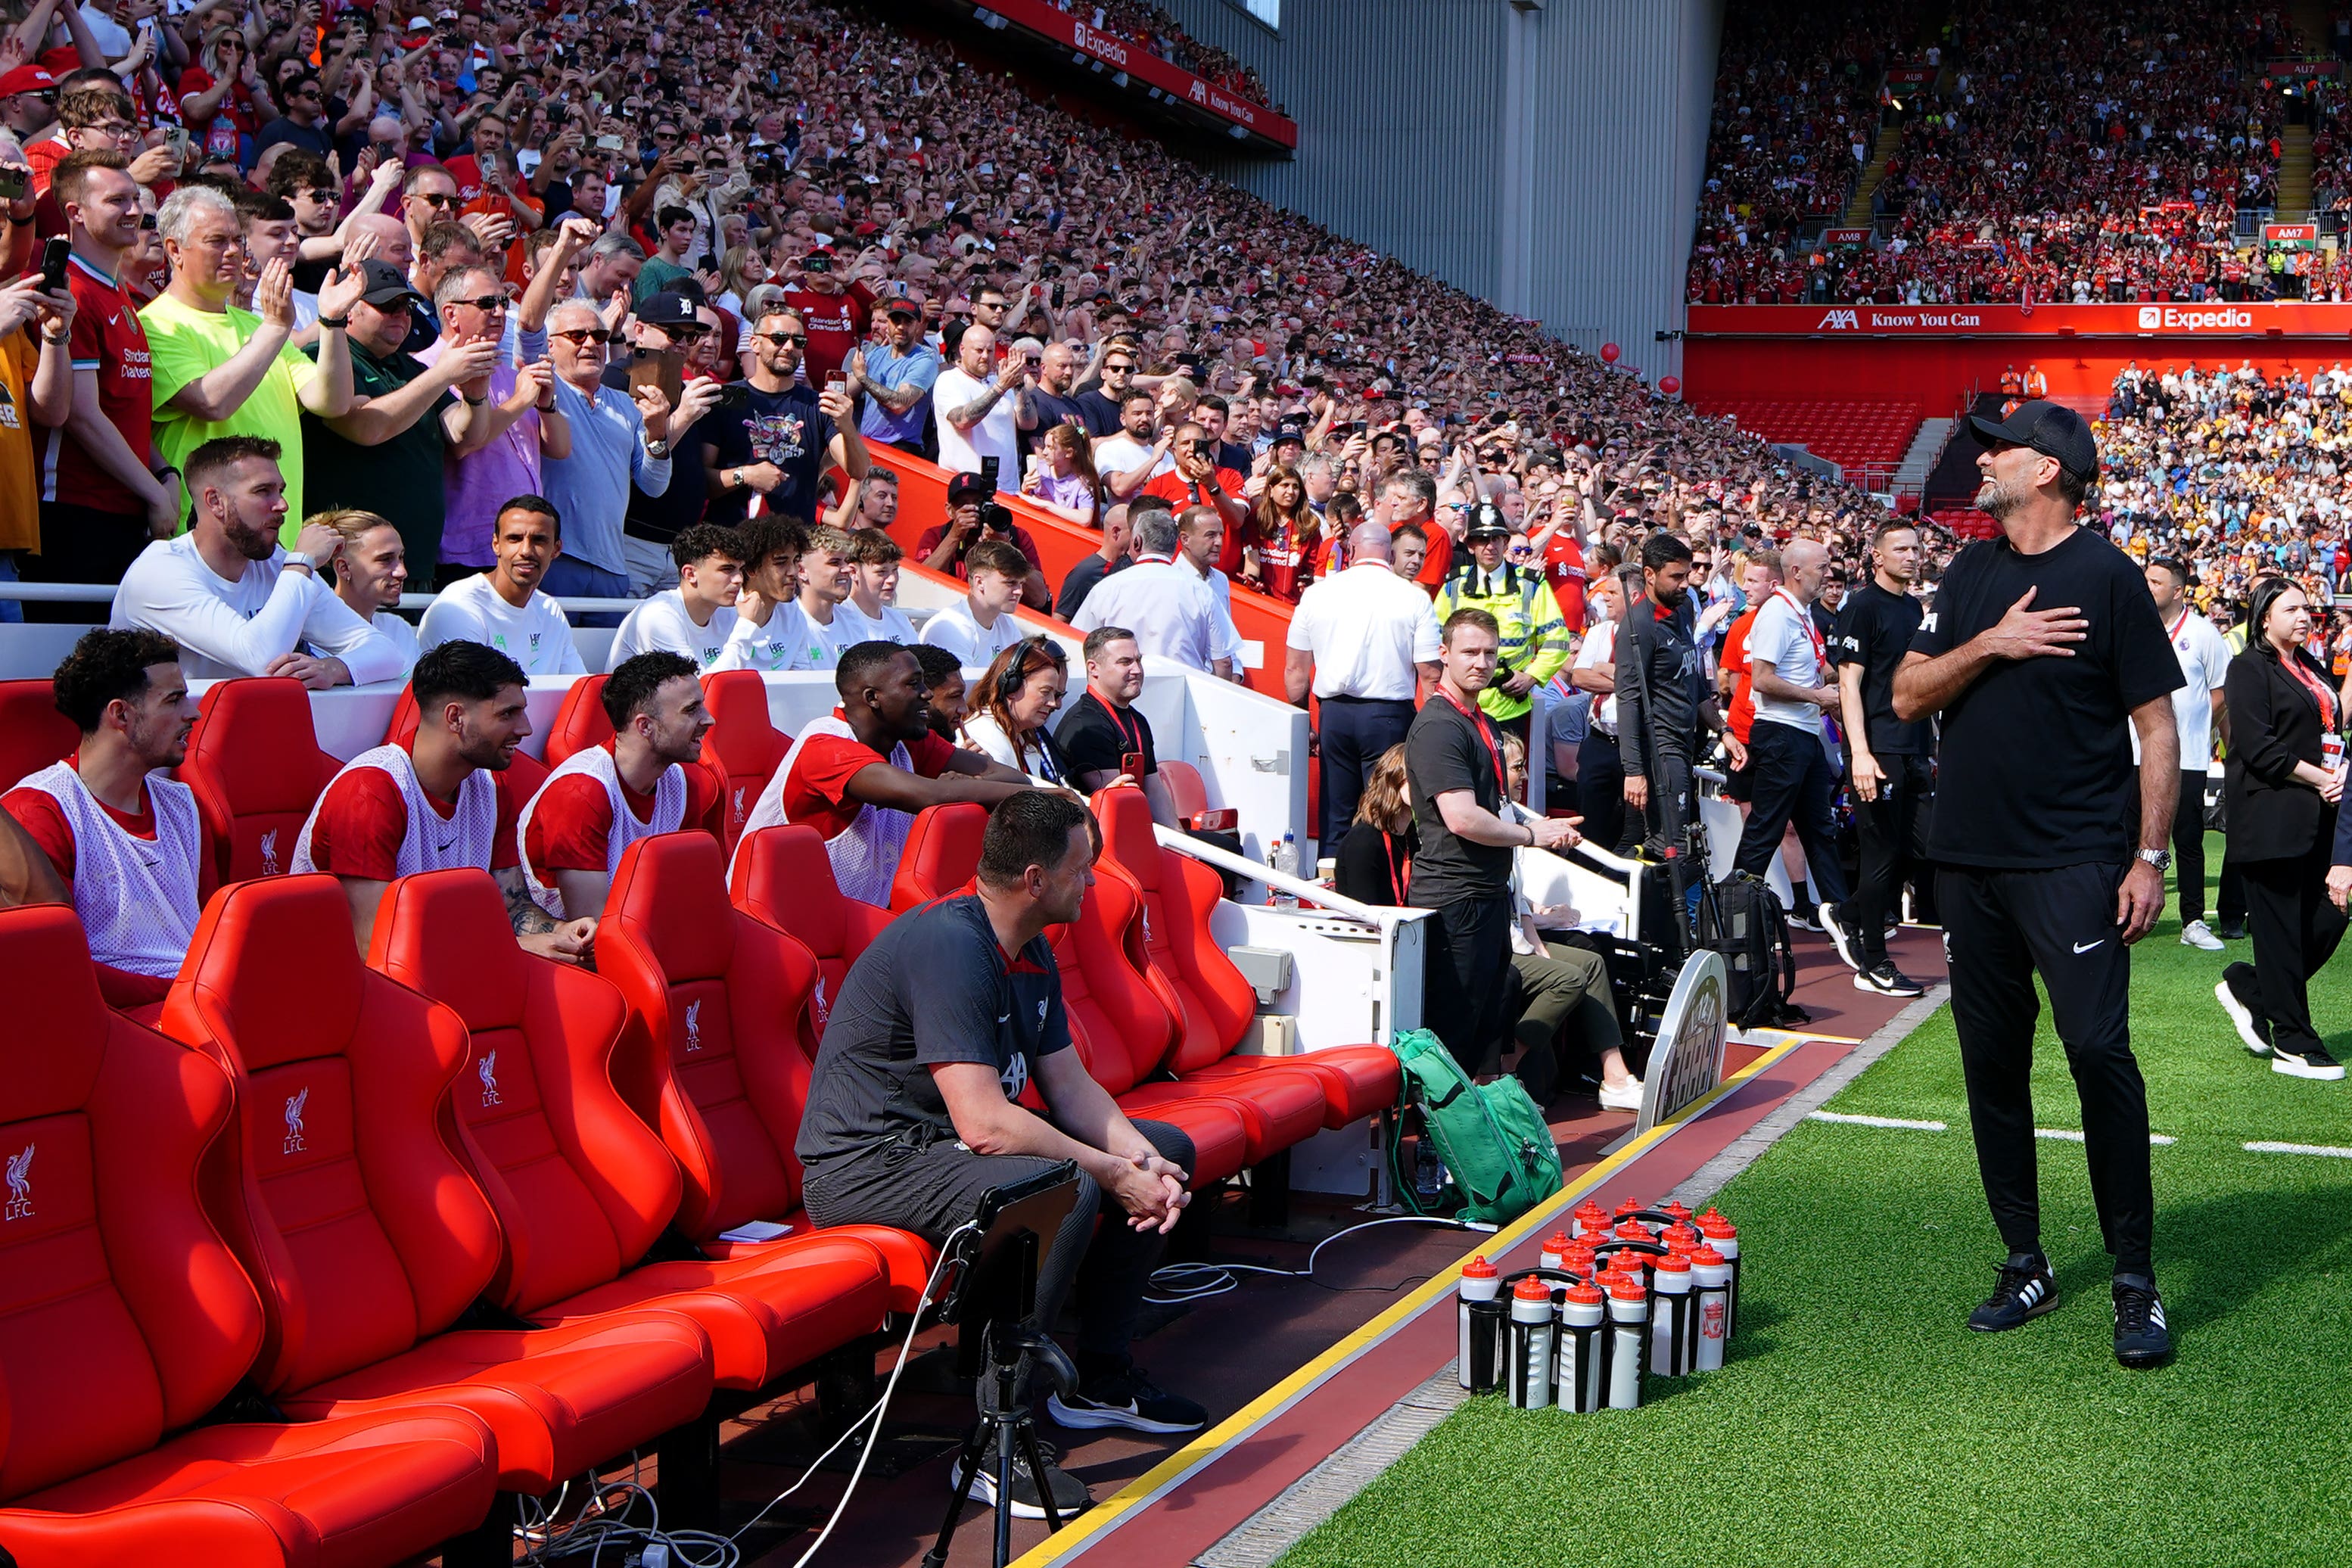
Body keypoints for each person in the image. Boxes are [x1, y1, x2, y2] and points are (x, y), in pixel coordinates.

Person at [795, 790, 1206, 1520]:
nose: (1096, 883)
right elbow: (986, 1124)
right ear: (1036, 880)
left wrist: (1144, 1164)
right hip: (871, 1163)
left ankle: (1101, 1379)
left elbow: (1071, 1086)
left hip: (942, 1149)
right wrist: (1108, 1173)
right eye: (1084, 869)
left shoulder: (1030, 942)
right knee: (1066, 1183)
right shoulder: (952, 945)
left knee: (1167, 1145)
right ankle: (992, 1444)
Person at [1892, 400, 2182, 1368]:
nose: (1983, 459)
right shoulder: (1972, 571)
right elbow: (1904, 692)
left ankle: (2134, 1280)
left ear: (2049, 470)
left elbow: (2157, 729)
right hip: (1968, 862)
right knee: (1992, 1065)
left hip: (2075, 861)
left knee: (2100, 1051)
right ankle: (2027, 1259)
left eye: (1999, 447)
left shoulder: (2108, 575)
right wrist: (1991, 644)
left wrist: (2148, 858)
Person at [293, 639, 592, 964]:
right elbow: (378, 951)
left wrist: (561, 932)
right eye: (508, 714)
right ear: (455, 718)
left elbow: (512, 906)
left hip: (447, 968)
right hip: (346, 988)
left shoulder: (492, 786)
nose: (525, 728)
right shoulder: (370, 793)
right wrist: (513, 947)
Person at [1405, 608, 1580, 1074]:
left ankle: (1469, 1132)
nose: (1480, 662)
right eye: (1469, 652)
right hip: (1455, 896)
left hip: (1485, 894)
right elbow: (1462, 819)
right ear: (1444, 655)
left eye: (1489, 652)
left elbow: (1489, 805)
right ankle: (1434, 1140)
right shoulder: (1441, 725)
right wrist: (1531, 834)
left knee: (1483, 1024)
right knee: (1454, 1029)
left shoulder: (1476, 717)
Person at [2, 629, 213, 1011]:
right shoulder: (39, 812)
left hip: (197, 1006)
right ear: (120, 714)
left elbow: (212, 935)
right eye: (174, 700)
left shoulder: (185, 806)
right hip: (113, 1024)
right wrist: (189, 989)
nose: (193, 712)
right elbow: (52, 966)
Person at [142, 182, 369, 534]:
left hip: (277, 537)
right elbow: (211, 402)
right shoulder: (156, 324)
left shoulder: (255, 324)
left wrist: (333, 321)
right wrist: (277, 328)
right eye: (217, 241)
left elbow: (331, 402)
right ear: (175, 249)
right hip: (208, 540)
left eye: (238, 240)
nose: (234, 252)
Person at [734, 640, 1031, 906]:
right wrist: (1047, 795)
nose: (926, 694)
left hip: (852, 917)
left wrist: (964, 783)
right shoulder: (825, 746)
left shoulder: (906, 739)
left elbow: (1014, 778)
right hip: (776, 919)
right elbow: (926, 795)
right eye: (913, 684)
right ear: (873, 697)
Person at [109, 435, 404, 686]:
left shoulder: (278, 565)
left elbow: (385, 652)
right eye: (263, 491)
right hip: (155, 747)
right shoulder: (162, 570)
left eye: (281, 490)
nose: (282, 505)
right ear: (215, 502)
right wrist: (301, 561)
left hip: (234, 735)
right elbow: (261, 661)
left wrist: (334, 668)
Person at [297, 258, 508, 582]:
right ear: (349, 309)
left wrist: (475, 395)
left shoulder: (411, 368)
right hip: (347, 568)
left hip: (413, 560)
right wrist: (443, 374)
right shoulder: (325, 357)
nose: (400, 314)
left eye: (406, 305)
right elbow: (366, 428)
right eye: (387, 305)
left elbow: (466, 438)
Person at [2214, 577, 2347, 1081]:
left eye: (2307, 609)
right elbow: (2257, 744)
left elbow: (2332, 728)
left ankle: (2250, 988)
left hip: (2318, 818)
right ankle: (2294, 1042)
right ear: (2263, 618)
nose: (2304, 616)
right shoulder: (2248, 668)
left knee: (2330, 918)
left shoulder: (2311, 666)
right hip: (2271, 817)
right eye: (2291, 609)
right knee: (2278, 932)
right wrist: (2321, 778)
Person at [36, 149, 182, 596]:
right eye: (118, 201)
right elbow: (81, 415)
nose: (135, 210)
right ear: (76, 214)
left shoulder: (117, 291)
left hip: (125, 506)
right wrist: (156, 493)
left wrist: (165, 474)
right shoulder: (70, 290)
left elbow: (123, 408)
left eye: (136, 199)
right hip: (78, 513)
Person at [518, 650, 721, 927]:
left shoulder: (682, 784)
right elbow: (591, 928)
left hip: (640, 933)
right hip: (570, 956)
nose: (709, 719)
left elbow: (687, 893)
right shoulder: (581, 792)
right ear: (645, 726)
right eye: (691, 710)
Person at [539, 295, 717, 605]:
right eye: (577, 336)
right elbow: (528, 332)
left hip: (612, 562)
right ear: (550, 345)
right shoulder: (546, 387)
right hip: (561, 555)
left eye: (599, 336)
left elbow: (653, 482)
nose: (590, 344)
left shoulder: (622, 402)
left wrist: (658, 429)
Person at [1732, 537, 1858, 970]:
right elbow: (1761, 681)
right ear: (1798, 571)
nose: (1830, 573)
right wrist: (1818, 696)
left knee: (1819, 830)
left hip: (1801, 736)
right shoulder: (1776, 614)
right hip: (1782, 736)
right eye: (1823, 566)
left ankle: (1842, 918)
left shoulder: (1800, 614)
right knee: (1766, 829)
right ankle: (1736, 923)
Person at [1499, 733, 1641, 1109]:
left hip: (1516, 934)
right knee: (1567, 975)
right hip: (1497, 945)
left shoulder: (1506, 818)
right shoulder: (1492, 827)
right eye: (1516, 767)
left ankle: (1615, 1076)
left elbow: (1513, 895)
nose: (1525, 775)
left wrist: (1539, 921)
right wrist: (1539, 943)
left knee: (1592, 958)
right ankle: (1505, 1071)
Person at [1286, 522, 1441, 848]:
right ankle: (1384, 892)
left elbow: (1296, 673)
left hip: (1335, 716)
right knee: (1388, 813)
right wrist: (1432, 730)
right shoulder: (1414, 598)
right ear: (1390, 553)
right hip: (1389, 716)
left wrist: (1305, 722)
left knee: (1336, 815)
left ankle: (1330, 891)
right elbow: (1430, 673)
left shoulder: (1316, 595)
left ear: (1352, 551)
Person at [1618, 537, 1744, 908]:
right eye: (1676, 576)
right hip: (1659, 748)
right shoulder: (1637, 626)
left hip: (1685, 741)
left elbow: (1695, 685)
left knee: (1678, 842)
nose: (1686, 583)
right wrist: (1633, 770)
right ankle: (1665, 926)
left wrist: (1724, 730)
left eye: (1688, 574)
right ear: (1649, 575)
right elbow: (1627, 699)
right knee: (1670, 845)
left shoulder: (1684, 609)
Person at [1834, 521, 1929, 997]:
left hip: (1914, 748)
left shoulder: (1913, 607)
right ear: (1877, 557)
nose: (1912, 556)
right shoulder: (1862, 607)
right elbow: (1848, 686)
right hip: (1877, 748)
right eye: (1901, 549)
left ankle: (1848, 912)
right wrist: (1861, 754)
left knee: (1919, 847)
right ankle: (1873, 962)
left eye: (1916, 548)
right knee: (1878, 856)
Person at [707, 304, 872, 527]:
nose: (789, 347)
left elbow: (859, 470)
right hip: (733, 541)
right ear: (754, 343)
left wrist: (847, 425)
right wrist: (744, 475)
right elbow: (701, 479)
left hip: (794, 547)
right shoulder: (726, 398)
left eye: (798, 341)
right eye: (779, 338)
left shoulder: (816, 404)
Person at [2141, 556, 2232, 951]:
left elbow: (2221, 690)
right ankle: (2125, 914)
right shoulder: (2134, 628)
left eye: (2156, 582)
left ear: (2178, 591)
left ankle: (2192, 921)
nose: (2147, 587)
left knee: (2189, 842)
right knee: (2128, 836)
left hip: (2188, 757)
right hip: (2135, 755)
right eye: (2145, 580)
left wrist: (2192, 728)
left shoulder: (2204, 633)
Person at [1432, 506, 1570, 739]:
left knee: (1510, 774)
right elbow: (1436, 641)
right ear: (1470, 544)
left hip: (1512, 707)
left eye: (1497, 539)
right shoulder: (1453, 586)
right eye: (1482, 539)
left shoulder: (1532, 585)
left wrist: (1532, 676)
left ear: (1506, 543)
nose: (1490, 546)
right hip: (1460, 703)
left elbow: (1557, 640)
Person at [418, 496, 586, 676]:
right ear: (496, 544)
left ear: (556, 549)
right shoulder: (459, 607)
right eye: (514, 539)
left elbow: (577, 686)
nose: (525, 551)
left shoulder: (550, 611)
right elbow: (473, 699)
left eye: (539, 540)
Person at [1071, 506, 1227, 677]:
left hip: (1120, 690)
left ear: (1136, 542)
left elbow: (1079, 642)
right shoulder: (1201, 591)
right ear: (1175, 544)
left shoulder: (1107, 588)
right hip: (1183, 692)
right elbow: (1223, 662)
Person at [1056, 627, 1178, 825]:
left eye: (1138, 660)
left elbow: (1155, 792)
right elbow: (1115, 807)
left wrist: (1182, 843)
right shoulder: (1086, 726)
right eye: (1125, 662)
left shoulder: (1137, 720)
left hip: (1137, 829)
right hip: (1106, 839)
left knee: (1224, 845)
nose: (1137, 670)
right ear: (1093, 668)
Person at [320, 508, 420, 677]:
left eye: (400, 557)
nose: (402, 572)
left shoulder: (398, 628)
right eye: (385, 560)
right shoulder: (310, 636)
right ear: (344, 568)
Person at [1569, 571, 1626, 854]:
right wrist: (1626, 681)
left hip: (1631, 745)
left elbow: (1649, 683)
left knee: (1630, 824)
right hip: (1599, 740)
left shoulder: (1650, 634)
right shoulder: (1598, 632)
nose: (1604, 597)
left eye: (1613, 592)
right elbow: (1579, 677)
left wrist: (1602, 668)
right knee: (1591, 823)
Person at [963, 637, 1072, 783]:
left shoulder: (1024, 735)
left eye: (1056, 694)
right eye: (1045, 692)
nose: (1053, 703)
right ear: (1012, 687)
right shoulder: (983, 733)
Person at [919, 537, 1031, 670]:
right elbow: (963, 689)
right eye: (1010, 583)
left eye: (1021, 583)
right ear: (979, 582)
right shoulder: (951, 627)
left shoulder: (1007, 625)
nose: (1019, 591)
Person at [932, 322, 1025, 478]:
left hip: (1008, 487)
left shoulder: (1000, 380)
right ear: (962, 350)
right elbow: (962, 420)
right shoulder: (949, 379)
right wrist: (1001, 388)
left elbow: (1028, 423)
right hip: (967, 488)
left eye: (990, 351)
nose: (985, 356)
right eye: (979, 350)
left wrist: (1019, 385)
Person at [849, 295, 938, 457]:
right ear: (888, 323)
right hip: (868, 444)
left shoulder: (925, 359)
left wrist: (863, 377)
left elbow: (899, 404)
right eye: (896, 320)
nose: (901, 327)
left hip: (901, 449)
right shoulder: (876, 354)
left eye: (908, 322)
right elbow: (848, 391)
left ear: (918, 325)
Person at [836, 527, 919, 646]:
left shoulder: (901, 621)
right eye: (881, 572)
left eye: (895, 570)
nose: (892, 579)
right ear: (853, 572)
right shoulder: (839, 622)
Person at [1054, 502, 1133, 622]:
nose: (1136, 539)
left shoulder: (1131, 568)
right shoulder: (1084, 573)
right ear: (1116, 532)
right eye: (1132, 532)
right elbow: (1059, 621)